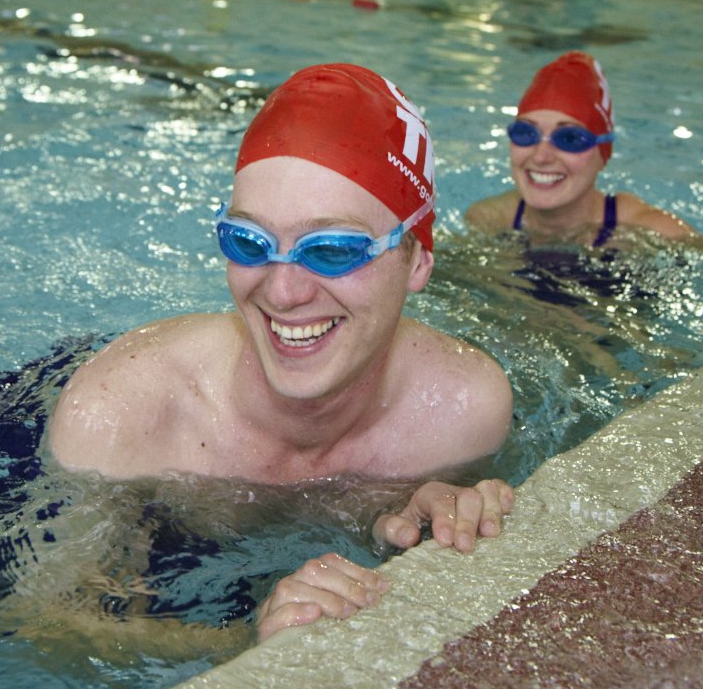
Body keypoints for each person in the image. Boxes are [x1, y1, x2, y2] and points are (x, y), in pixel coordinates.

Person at [48, 63, 515, 641]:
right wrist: (244, 642)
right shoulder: (120, 412)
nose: (282, 291)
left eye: (334, 250)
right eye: (249, 242)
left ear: (418, 258)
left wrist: (414, 528)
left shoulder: (463, 411)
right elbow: (48, 625)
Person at [466, 51, 691, 245]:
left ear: (603, 155)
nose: (541, 156)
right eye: (526, 134)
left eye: (570, 138)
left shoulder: (656, 231)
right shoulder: (489, 220)